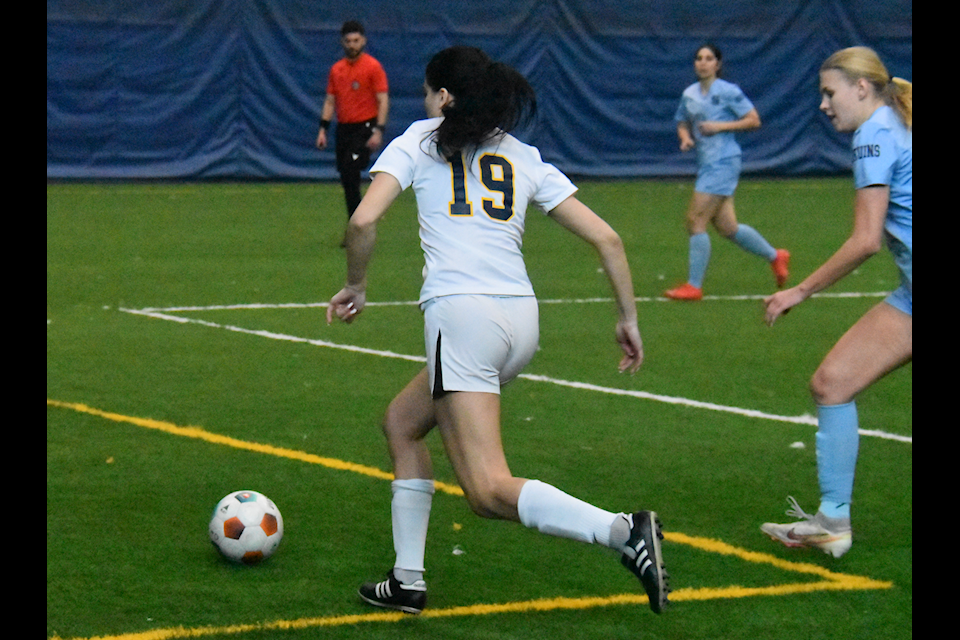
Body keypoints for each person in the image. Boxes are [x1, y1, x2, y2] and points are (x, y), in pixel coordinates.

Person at [326, 46, 669, 614]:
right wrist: (627, 319)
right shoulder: (522, 154)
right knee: (402, 423)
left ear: (443, 96)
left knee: (486, 490)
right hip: (520, 323)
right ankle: (406, 579)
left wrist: (357, 285)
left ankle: (622, 531)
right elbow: (608, 239)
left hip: (462, 318)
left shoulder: (419, 138)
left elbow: (363, 219)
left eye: (427, 90)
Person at [760, 47, 912, 558]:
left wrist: (798, 290)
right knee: (832, 383)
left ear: (862, 89)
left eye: (830, 92)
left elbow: (866, 239)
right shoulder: (896, 122)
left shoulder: (875, 134)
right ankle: (832, 521)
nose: (824, 105)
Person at [664, 44, 790, 301]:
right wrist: (685, 138)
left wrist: (719, 126)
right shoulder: (689, 94)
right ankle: (776, 256)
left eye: (709, 59)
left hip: (723, 161)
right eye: (698, 58)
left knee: (695, 220)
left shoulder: (729, 91)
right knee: (727, 227)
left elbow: (753, 120)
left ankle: (694, 286)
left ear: (717, 65)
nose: (703, 63)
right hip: (707, 163)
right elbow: (681, 120)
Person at [315, 21, 390, 225]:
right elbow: (330, 101)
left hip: (365, 127)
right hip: (344, 129)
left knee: (351, 168)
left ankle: (369, 211)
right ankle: (355, 226)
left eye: (356, 41)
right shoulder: (337, 70)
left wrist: (378, 130)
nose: (352, 45)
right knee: (348, 180)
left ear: (363, 41)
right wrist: (323, 130)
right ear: (342, 42)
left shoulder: (372, 67)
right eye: (348, 41)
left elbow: (382, 99)